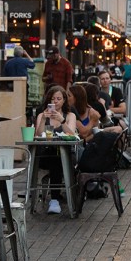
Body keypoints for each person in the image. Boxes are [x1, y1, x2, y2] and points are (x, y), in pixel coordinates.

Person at [34, 84, 78, 215]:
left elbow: (72, 135)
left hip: (67, 154)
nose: (56, 101)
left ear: (64, 100)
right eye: (53, 99)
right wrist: (43, 120)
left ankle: (55, 200)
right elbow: (38, 135)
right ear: (48, 100)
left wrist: (62, 121)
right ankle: (54, 200)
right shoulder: (42, 115)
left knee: (57, 156)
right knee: (54, 155)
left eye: (59, 98)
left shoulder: (70, 115)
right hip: (46, 153)